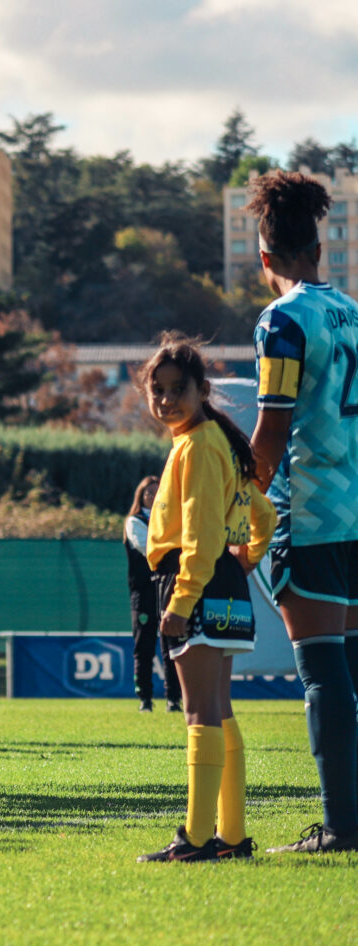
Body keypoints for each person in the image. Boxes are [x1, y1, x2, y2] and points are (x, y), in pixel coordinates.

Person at [244, 171, 358, 854]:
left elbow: (272, 429)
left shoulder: (281, 321)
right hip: (357, 514)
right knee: (350, 667)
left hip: (310, 516)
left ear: (265, 260)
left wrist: (234, 508)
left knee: (322, 674)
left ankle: (342, 827)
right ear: (320, 249)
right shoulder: (352, 311)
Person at [136, 336, 275, 862]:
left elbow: (197, 533)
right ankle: (232, 836)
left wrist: (182, 601)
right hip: (227, 586)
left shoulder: (195, 445)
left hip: (193, 583)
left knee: (199, 712)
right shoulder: (220, 438)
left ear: (202, 390)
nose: (167, 400)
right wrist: (247, 558)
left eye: (179, 389)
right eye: (159, 390)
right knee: (219, 710)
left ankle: (195, 840)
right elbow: (264, 516)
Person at [125, 475, 182, 712]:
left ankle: (173, 699)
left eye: (157, 491)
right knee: (144, 646)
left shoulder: (171, 520)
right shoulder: (134, 521)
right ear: (141, 495)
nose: (152, 495)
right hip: (145, 592)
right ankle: (145, 699)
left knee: (172, 645)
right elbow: (149, 548)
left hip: (169, 589)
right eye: (148, 492)